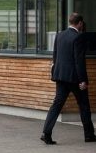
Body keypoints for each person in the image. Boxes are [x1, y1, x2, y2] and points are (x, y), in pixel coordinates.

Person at [41, 12, 95, 144]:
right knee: (84, 105)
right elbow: (79, 61)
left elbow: (55, 57)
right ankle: (89, 135)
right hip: (75, 79)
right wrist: (83, 80)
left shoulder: (59, 36)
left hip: (60, 77)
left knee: (56, 105)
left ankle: (46, 133)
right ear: (80, 23)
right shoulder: (78, 38)